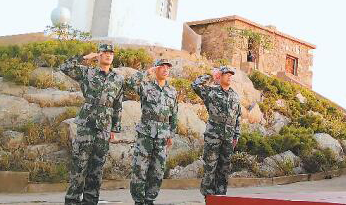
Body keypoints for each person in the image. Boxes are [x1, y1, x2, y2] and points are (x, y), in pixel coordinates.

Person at [59, 43, 124, 205]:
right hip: (86, 124)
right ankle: (72, 200)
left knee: (97, 168)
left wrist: (114, 129)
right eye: (105, 52)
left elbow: (118, 104)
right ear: (99, 55)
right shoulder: (87, 72)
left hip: (104, 128)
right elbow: (64, 67)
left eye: (111, 53)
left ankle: (90, 201)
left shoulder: (118, 79)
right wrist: (84, 57)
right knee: (79, 165)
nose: (108, 55)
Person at [124, 59, 179, 205]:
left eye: (168, 67)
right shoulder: (146, 86)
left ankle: (149, 200)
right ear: (156, 69)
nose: (165, 69)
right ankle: (138, 201)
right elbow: (130, 84)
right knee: (140, 169)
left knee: (157, 171)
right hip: (146, 135)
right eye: (162, 67)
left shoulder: (172, 91)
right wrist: (145, 73)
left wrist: (171, 134)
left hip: (162, 136)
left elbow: (174, 114)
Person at [191, 65, 241, 199]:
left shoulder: (235, 96)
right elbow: (195, 85)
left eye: (231, 74)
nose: (230, 76)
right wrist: (210, 75)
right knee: (210, 168)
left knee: (224, 169)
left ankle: (220, 197)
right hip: (213, 137)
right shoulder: (211, 92)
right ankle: (208, 197)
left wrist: (236, 136)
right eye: (227, 74)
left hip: (228, 139)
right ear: (220, 76)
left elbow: (237, 117)